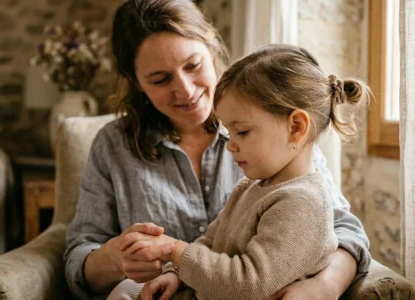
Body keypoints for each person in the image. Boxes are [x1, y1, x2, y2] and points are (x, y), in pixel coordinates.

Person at [64, 1, 371, 299]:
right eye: (160, 79)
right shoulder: (113, 145)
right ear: (136, 83)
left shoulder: (282, 137)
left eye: (193, 65)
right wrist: (118, 259)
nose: (185, 90)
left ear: (211, 49)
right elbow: (79, 254)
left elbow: (342, 229)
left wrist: (325, 287)